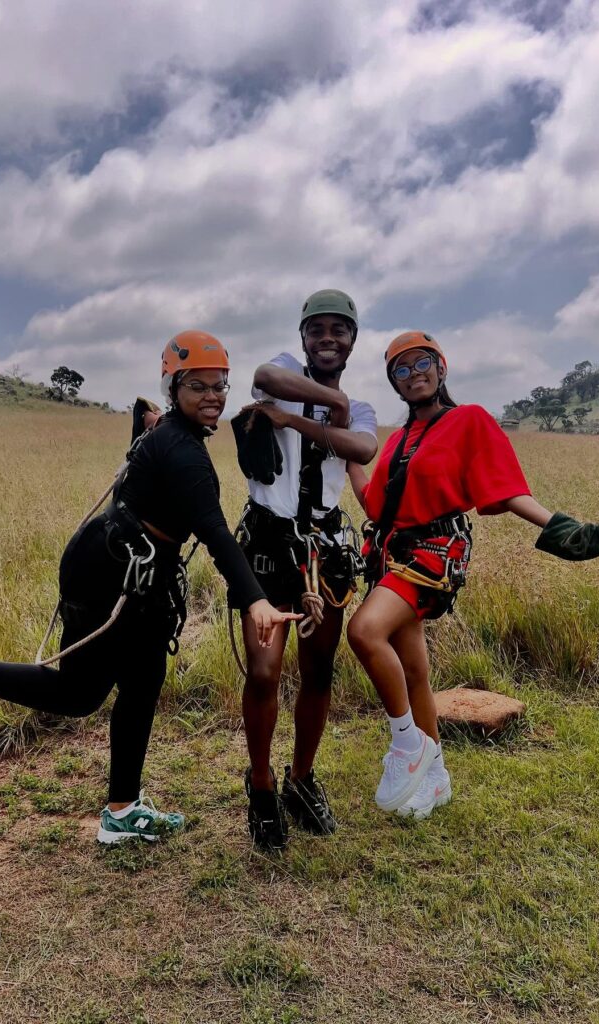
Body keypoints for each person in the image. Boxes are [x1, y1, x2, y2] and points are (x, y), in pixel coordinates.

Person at [0, 332, 298, 844]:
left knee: (143, 681)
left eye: (219, 385)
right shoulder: (184, 452)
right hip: (107, 572)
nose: (212, 396)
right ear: (174, 387)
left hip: (138, 574)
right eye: (197, 386)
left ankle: (122, 810)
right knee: (77, 694)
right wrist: (257, 600)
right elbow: (215, 532)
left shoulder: (172, 432)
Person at [346, 331, 599, 820]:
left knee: (364, 631)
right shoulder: (397, 440)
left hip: (432, 555)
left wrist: (562, 527)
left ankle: (407, 745)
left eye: (421, 363)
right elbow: (377, 506)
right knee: (415, 671)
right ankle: (436, 778)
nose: (413, 374)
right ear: (395, 382)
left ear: (441, 367)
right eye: (401, 370)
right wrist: (349, 459)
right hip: (391, 556)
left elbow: (504, 486)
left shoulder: (467, 420)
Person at [233, 289, 378, 850]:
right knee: (264, 672)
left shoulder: (359, 410)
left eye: (339, 330)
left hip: (324, 551)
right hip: (270, 546)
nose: (327, 338)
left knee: (319, 673)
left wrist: (296, 419)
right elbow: (264, 375)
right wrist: (327, 403)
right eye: (317, 329)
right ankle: (261, 785)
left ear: (352, 341)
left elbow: (361, 448)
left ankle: (301, 778)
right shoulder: (285, 372)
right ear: (303, 338)